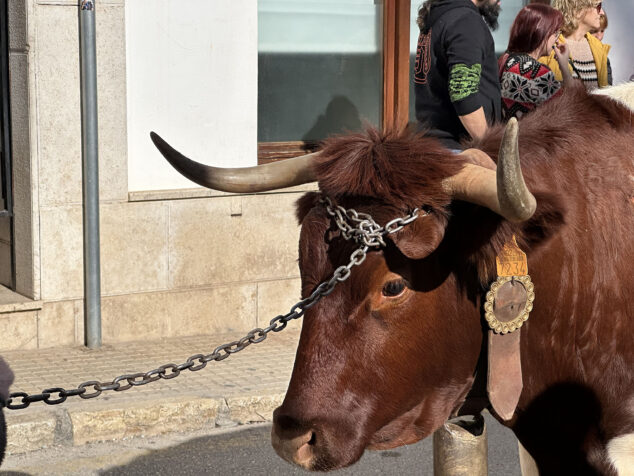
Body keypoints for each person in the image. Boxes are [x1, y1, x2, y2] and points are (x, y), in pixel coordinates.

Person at [414, 0, 502, 150]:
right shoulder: (465, 22)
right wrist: (491, 148)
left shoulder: (443, 16)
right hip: (459, 150)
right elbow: (463, 93)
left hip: (434, 146)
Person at [499, 4, 574, 120]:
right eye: (555, 33)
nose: (557, 39)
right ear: (541, 32)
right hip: (532, 137)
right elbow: (571, 107)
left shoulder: (506, 60)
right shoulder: (537, 73)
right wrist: (564, 66)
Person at [540, 0, 610, 90]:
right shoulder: (549, 47)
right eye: (598, 6)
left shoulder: (599, 48)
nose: (602, 12)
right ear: (578, 11)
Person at [590, 11, 612, 85]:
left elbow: (608, 88)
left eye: (602, 31)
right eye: (593, 31)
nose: (599, 37)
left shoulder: (605, 58)